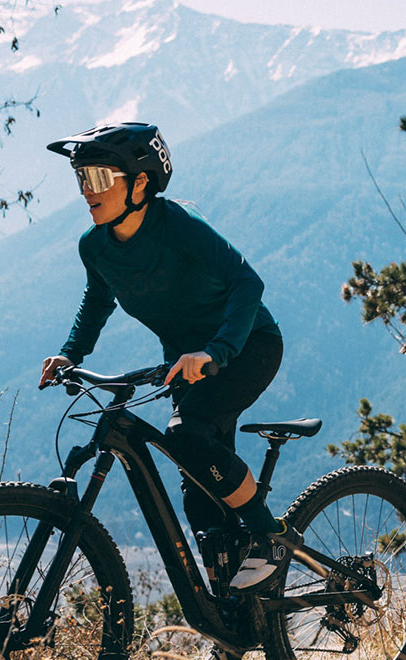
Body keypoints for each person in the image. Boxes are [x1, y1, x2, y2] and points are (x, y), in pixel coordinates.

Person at [38, 122, 295, 593]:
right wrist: (68, 353)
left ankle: (270, 535)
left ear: (139, 183)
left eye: (97, 179)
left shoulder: (178, 227)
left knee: (185, 436)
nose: (85, 192)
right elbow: (97, 302)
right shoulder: (94, 247)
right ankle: (237, 614)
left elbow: (248, 284)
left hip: (246, 347)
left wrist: (215, 351)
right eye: (81, 179)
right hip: (187, 366)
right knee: (199, 494)